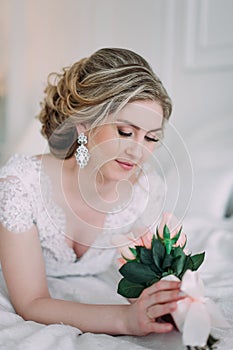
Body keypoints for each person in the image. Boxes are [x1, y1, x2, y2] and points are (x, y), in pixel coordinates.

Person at [0, 47, 183, 336]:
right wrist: (125, 319)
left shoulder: (146, 193)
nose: (137, 151)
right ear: (84, 124)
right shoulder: (21, 185)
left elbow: (146, 282)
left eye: (151, 138)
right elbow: (31, 302)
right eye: (125, 131)